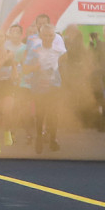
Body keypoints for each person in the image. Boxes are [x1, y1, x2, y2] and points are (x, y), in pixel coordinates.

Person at [25, 24, 63, 154]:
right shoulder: (35, 49)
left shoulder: (59, 49)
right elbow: (25, 69)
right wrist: (36, 67)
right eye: (45, 35)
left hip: (54, 85)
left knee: (53, 114)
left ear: (54, 36)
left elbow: (64, 64)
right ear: (41, 36)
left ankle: (53, 139)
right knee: (40, 114)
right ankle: (39, 139)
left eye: (51, 35)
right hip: (39, 86)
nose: (48, 38)